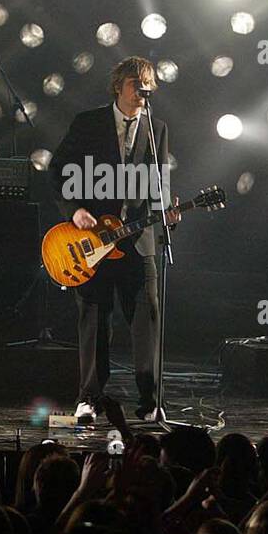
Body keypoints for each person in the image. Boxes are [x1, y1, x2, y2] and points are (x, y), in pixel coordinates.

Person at [48, 56, 179, 423]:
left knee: (147, 319)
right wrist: (74, 210)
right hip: (92, 241)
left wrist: (167, 213)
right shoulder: (88, 123)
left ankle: (151, 401)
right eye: (137, 83)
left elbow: (158, 185)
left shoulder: (157, 129)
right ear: (119, 85)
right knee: (94, 319)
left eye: (148, 84)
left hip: (138, 240)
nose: (143, 91)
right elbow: (57, 168)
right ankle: (89, 397)